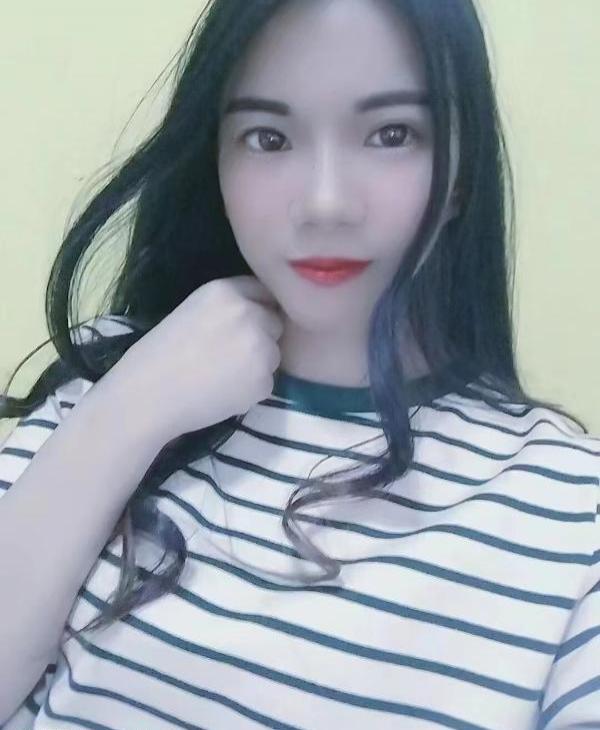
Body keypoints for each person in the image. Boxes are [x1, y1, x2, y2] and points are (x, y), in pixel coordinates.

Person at [0, 0, 598, 727]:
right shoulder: (111, 380)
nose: (325, 204)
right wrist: (126, 414)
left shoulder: (574, 513)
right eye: (268, 138)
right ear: (216, 163)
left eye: (392, 134)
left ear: (462, 173)